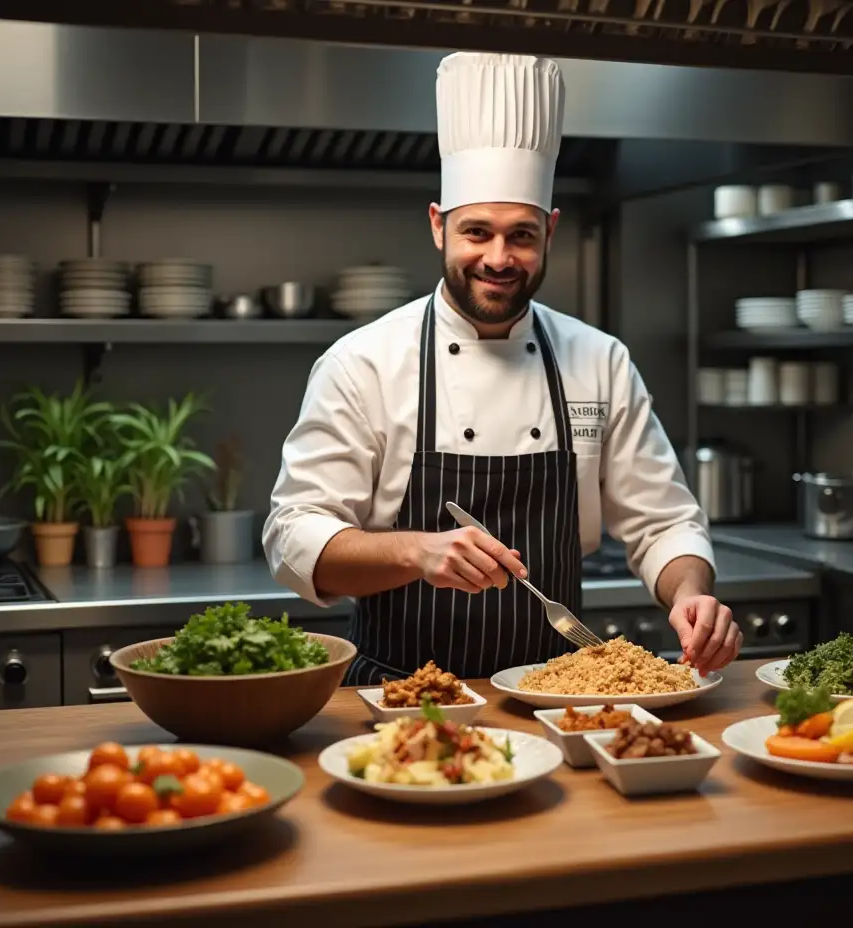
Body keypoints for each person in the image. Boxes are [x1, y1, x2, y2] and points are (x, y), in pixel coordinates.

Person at [263, 52, 741, 685]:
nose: (499, 257)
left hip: (562, 696)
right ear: (438, 226)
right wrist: (418, 550)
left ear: (551, 231)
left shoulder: (599, 359)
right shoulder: (365, 363)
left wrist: (689, 594)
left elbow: (664, 522)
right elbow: (293, 537)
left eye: (521, 235)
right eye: (476, 232)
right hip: (397, 695)